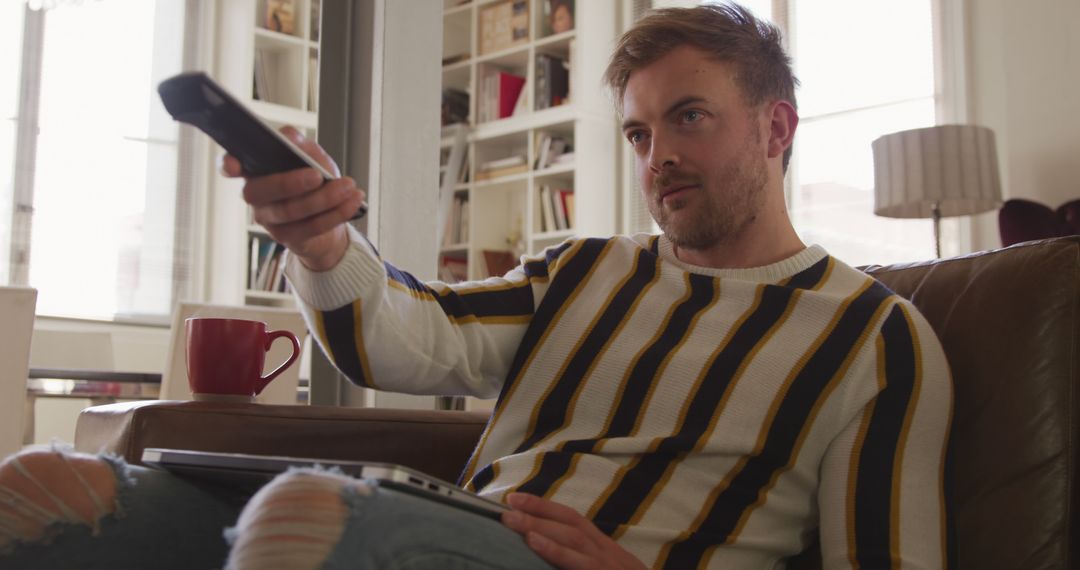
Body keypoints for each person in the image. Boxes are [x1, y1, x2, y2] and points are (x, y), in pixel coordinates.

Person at [0, 4, 952, 569]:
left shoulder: (875, 340)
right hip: (461, 530)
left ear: (777, 128)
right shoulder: (586, 272)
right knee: (41, 487)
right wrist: (326, 242)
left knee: (305, 516)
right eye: (637, 133)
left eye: (690, 118)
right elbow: (408, 338)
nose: (657, 157)